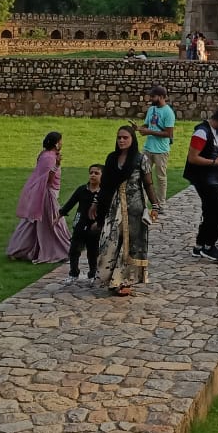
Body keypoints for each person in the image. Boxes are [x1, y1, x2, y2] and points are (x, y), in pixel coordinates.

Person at [98, 124, 161, 296]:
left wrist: (155, 205)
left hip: (134, 208)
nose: (121, 140)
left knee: (129, 246)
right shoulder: (111, 158)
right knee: (110, 241)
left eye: (125, 137)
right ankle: (110, 278)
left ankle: (123, 281)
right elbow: (105, 185)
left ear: (132, 140)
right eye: (119, 137)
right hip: (113, 207)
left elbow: (148, 184)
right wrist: (96, 203)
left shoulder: (140, 159)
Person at [6, 132, 71, 263]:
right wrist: (57, 165)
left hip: (45, 193)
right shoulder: (49, 158)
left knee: (32, 223)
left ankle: (17, 250)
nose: (62, 143)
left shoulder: (45, 155)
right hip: (46, 194)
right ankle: (60, 249)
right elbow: (48, 179)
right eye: (61, 141)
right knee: (52, 223)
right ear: (56, 143)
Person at [183, 106, 218, 262]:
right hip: (203, 178)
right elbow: (193, 157)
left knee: (209, 211)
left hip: (212, 177)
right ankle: (209, 246)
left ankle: (199, 245)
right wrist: (214, 162)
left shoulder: (216, 132)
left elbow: (216, 148)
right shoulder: (201, 132)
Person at [59, 165, 104, 283]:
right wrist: (60, 215)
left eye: (96, 173)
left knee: (93, 252)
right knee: (74, 250)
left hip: (94, 227)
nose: (93, 175)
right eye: (91, 173)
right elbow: (71, 203)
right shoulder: (82, 189)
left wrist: (99, 223)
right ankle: (73, 273)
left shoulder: (104, 193)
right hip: (80, 224)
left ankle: (92, 274)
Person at [137, 85, 176, 207]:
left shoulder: (168, 112)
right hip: (148, 148)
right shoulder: (151, 109)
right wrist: (139, 128)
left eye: (153, 96)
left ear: (161, 97)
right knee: (142, 175)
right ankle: (143, 203)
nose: (151, 98)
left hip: (161, 150)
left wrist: (149, 132)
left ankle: (161, 203)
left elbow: (169, 133)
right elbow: (148, 124)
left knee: (160, 178)